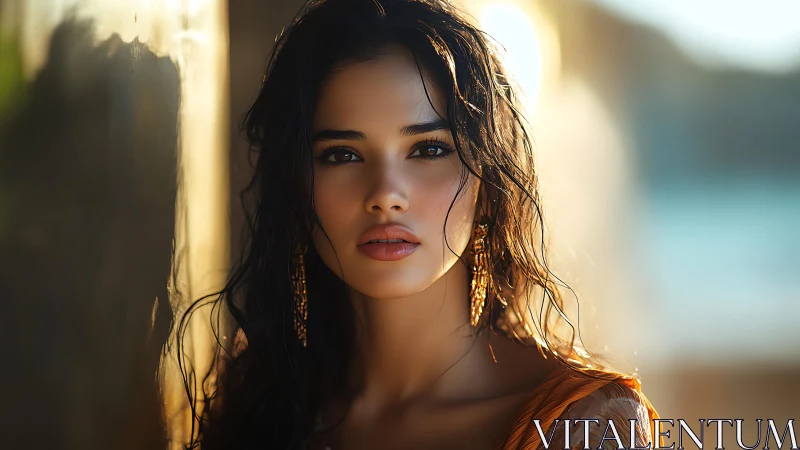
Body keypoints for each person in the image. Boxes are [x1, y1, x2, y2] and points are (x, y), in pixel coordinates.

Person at [177, 0, 662, 449]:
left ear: (488, 180)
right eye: (342, 154)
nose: (386, 193)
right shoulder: (263, 413)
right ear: (297, 189)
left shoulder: (583, 425)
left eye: (428, 149)